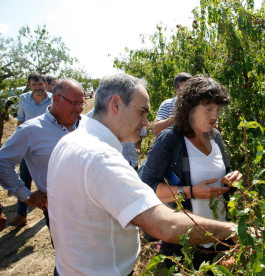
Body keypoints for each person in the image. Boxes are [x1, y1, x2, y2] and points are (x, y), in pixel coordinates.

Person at [47, 73, 237, 276]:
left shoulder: (71, 141)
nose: (146, 122)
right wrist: (233, 230)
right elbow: (165, 225)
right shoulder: (100, 158)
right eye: (141, 111)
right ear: (116, 104)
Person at [140, 75, 242, 270]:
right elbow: (146, 187)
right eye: (208, 108)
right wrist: (191, 191)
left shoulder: (215, 136)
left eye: (218, 109)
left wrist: (232, 178)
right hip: (186, 242)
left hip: (220, 236)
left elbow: (226, 169)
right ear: (190, 108)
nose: (215, 116)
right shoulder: (171, 138)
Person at [0, 79, 85, 228]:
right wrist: (26, 195)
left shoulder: (87, 124)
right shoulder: (31, 130)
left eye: (82, 103)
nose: (79, 109)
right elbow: (3, 161)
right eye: (75, 103)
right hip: (60, 212)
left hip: (93, 206)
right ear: (57, 99)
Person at [9, 72, 53, 226]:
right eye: (34, 84)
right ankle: (21, 215)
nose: (37, 87)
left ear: (45, 84)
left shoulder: (53, 99)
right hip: (28, 149)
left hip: (46, 147)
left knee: (49, 180)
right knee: (24, 179)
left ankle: (50, 212)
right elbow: (20, 121)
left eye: (40, 84)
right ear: (29, 85)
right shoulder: (23, 99)